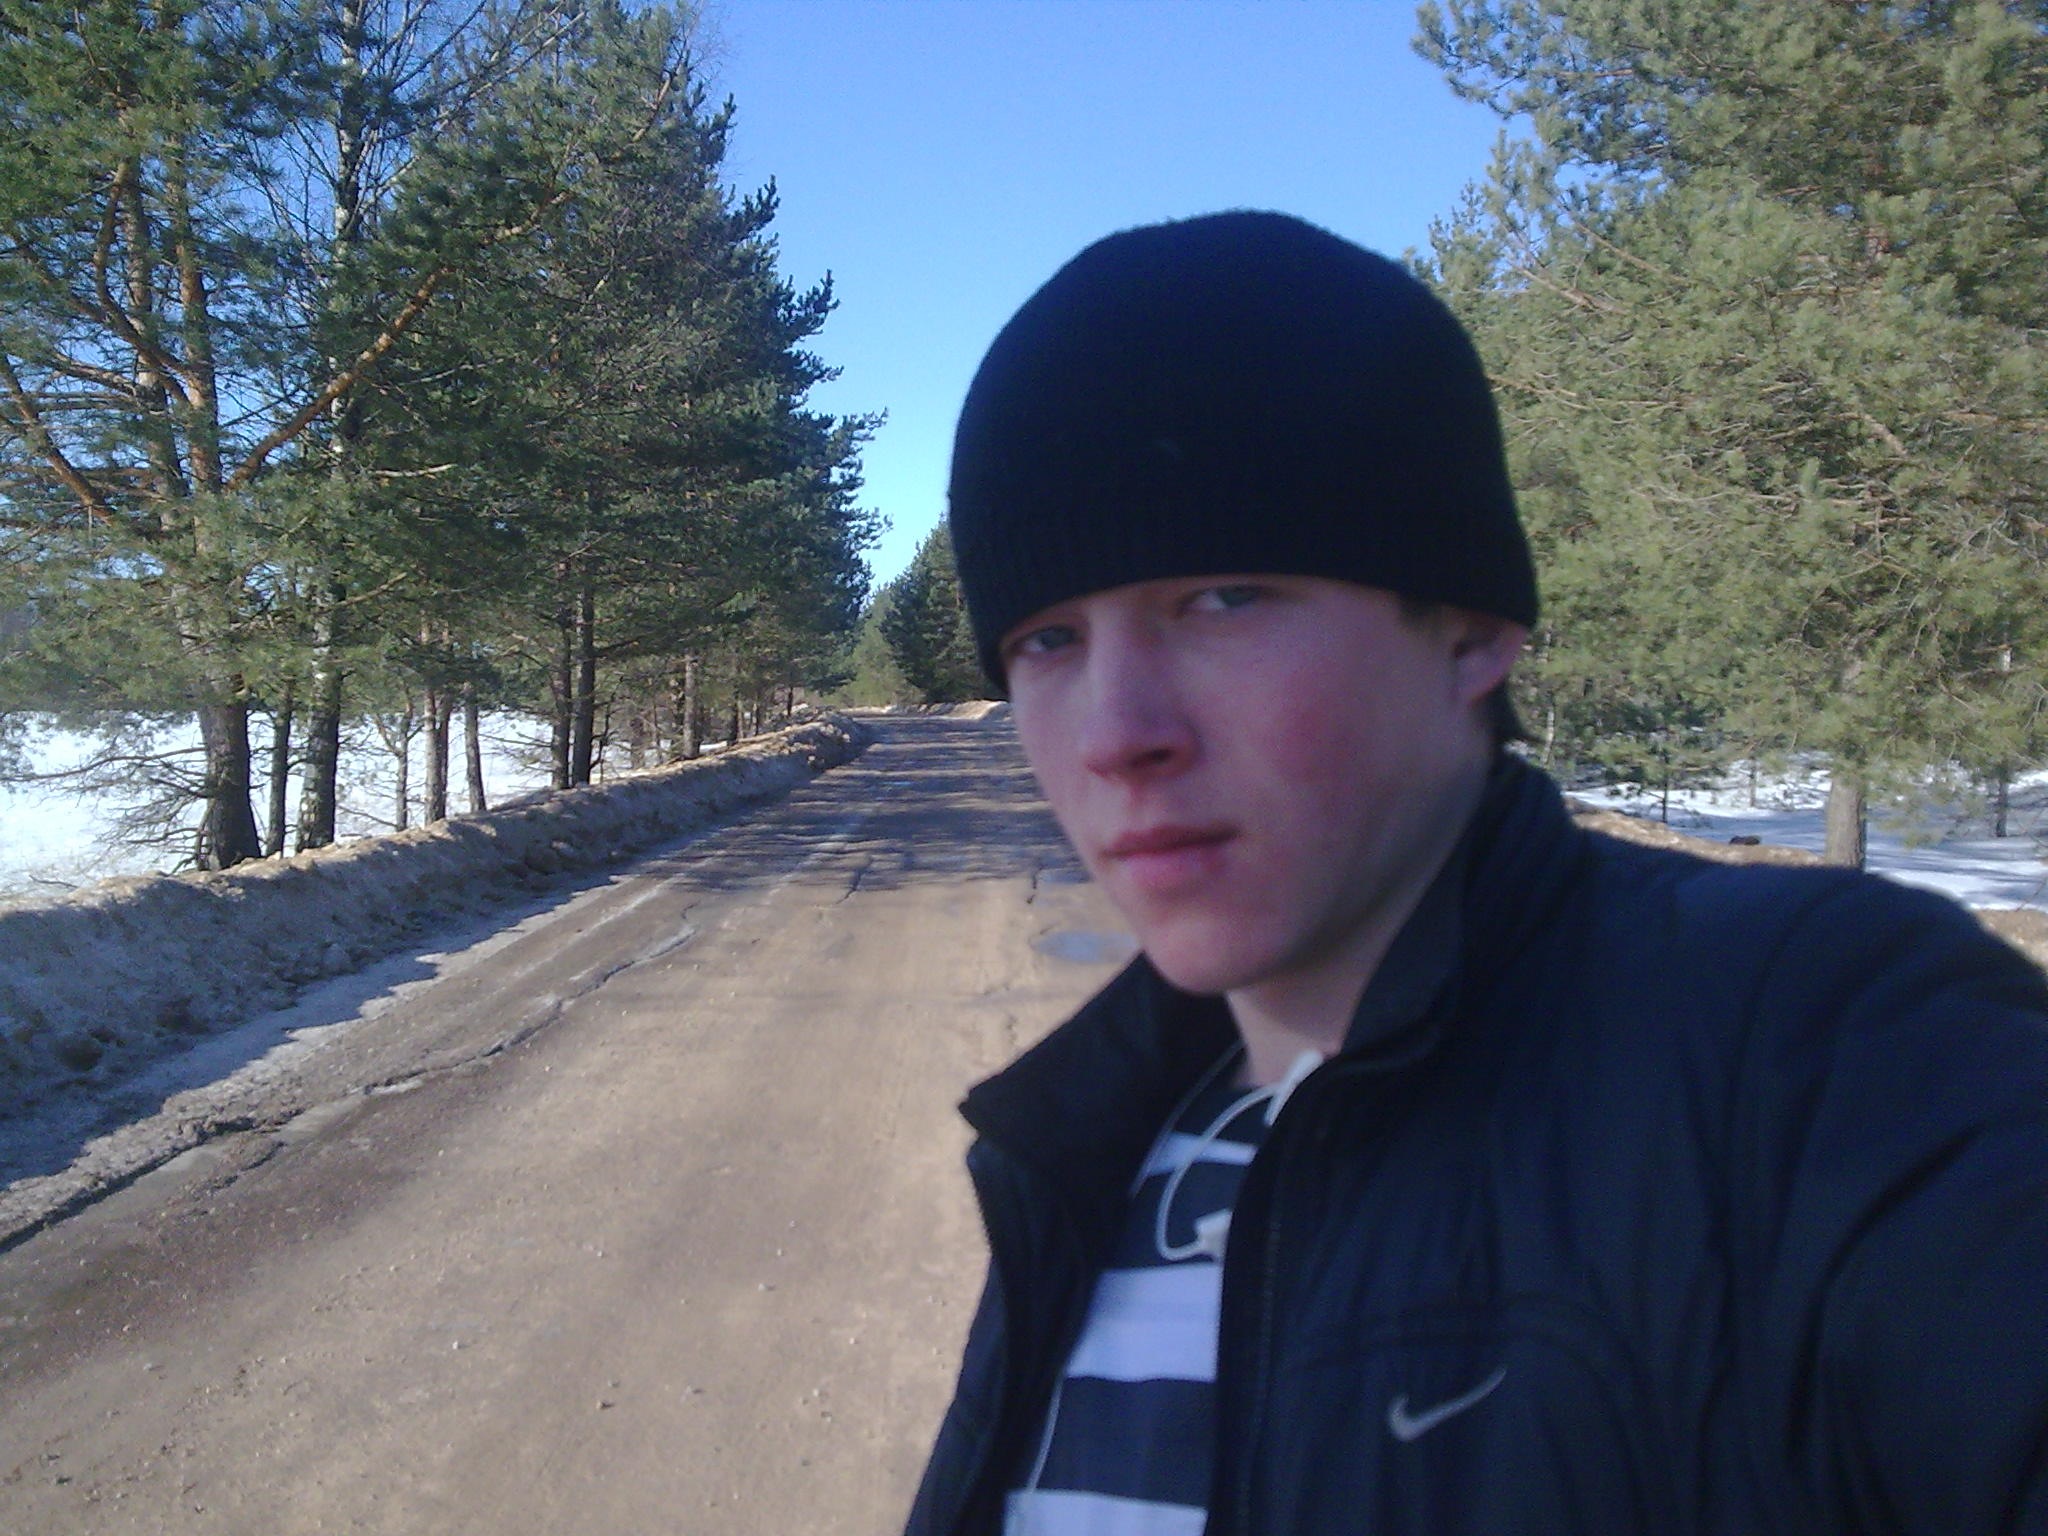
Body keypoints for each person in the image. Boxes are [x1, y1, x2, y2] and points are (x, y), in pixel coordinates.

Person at [902, 210, 2048, 1536]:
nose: (1116, 734)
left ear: (1471, 630)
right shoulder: (1089, 1157)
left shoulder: (1820, 1052)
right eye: (1048, 641)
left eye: (1223, 599)